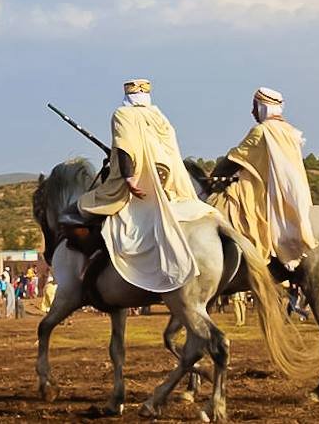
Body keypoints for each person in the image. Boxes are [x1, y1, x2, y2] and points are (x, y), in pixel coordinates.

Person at [74, 79, 216, 293]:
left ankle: (92, 268)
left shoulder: (123, 114)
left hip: (135, 182)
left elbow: (125, 147)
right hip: (167, 181)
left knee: (82, 208)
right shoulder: (159, 116)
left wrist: (129, 177)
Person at [207, 87, 318, 270]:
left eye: (255, 106)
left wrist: (214, 177)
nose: (252, 112)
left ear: (263, 107)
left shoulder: (262, 131)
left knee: (220, 209)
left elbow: (234, 159)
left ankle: (238, 262)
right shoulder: (290, 131)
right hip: (293, 193)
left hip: (263, 190)